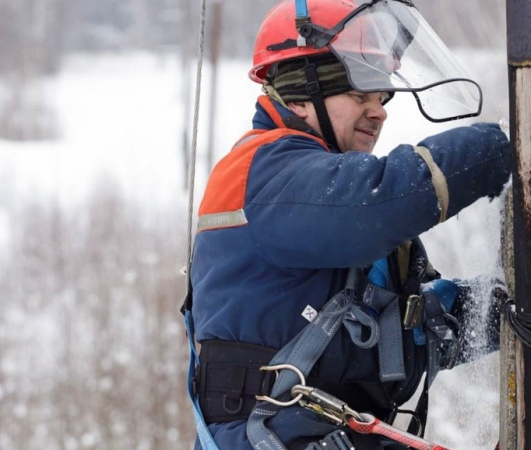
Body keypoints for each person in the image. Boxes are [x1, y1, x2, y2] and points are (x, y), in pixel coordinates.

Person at [183, 0, 513, 449]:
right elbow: (386, 200)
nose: (379, 112)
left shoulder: (325, 199)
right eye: (360, 95)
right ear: (301, 93)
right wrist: (509, 147)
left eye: (381, 97)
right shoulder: (267, 171)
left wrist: (507, 310)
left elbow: (399, 334)